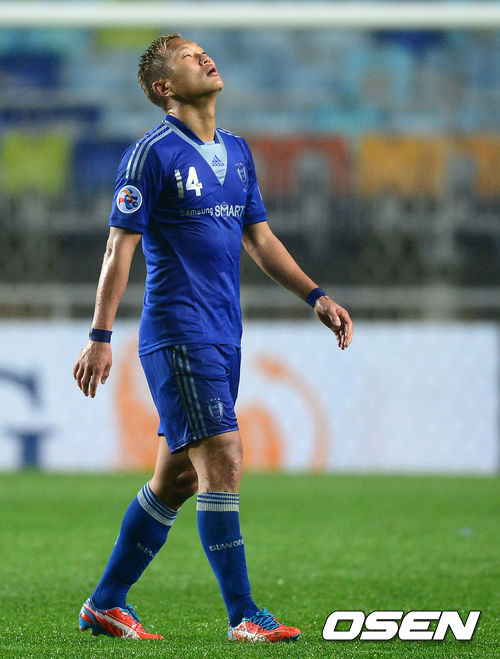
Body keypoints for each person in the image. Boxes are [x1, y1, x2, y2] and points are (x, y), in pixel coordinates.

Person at [73, 33, 353, 643]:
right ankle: (244, 614)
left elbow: (260, 239)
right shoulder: (150, 155)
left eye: (202, 51)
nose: (203, 57)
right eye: (186, 56)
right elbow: (119, 249)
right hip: (179, 331)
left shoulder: (238, 151)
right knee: (224, 456)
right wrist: (99, 335)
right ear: (163, 87)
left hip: (225, 334)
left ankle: (106, 602)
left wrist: (316, 296)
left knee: (175, 480)